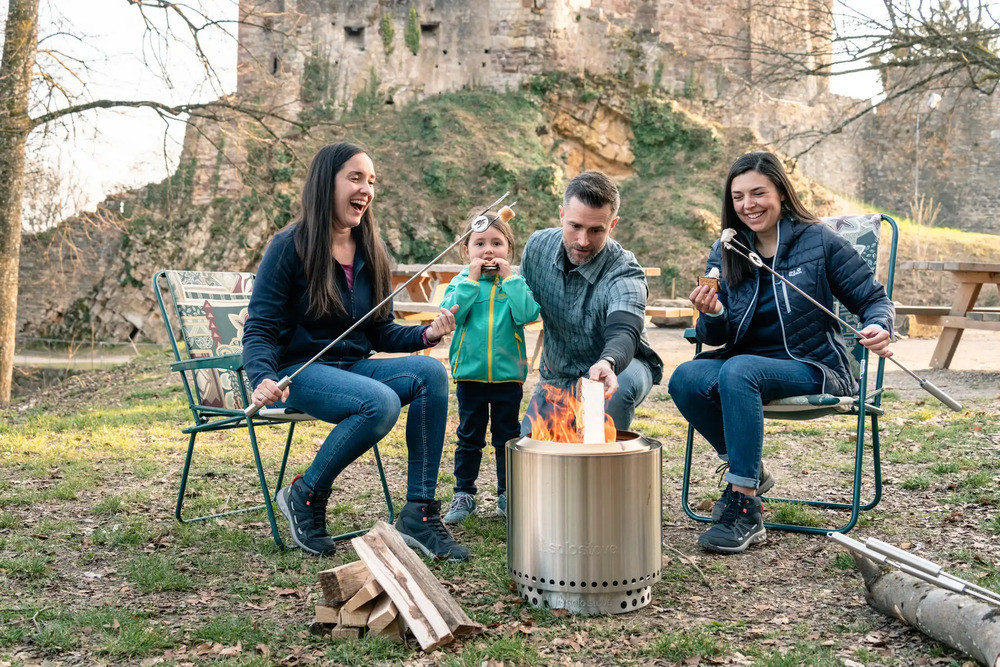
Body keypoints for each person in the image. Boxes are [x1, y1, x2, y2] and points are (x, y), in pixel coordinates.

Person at [241, 142, 469, 561]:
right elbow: (259, 327)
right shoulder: (288, 245)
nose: (366, 189)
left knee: (431, 375)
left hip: (354, 367)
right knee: (379, 403)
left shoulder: (371, 250)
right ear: (325, 182)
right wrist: (262, 378)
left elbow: (379, 332)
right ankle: (304, 494)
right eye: (355, 177)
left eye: (371, 181)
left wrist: (425, 335)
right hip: (299, 371)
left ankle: (419, 512)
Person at [667, 151, 894, 555]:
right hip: (745, 363)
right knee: (685, 378)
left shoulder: (818, 241)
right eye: (738, 197)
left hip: (813, 364)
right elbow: (712, 333)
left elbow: (873, 299)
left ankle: (744, 505)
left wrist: (879, 326)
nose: (747, 205)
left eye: (758, 193)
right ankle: (747, 468)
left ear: (781, 193)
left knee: (738, 371)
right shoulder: (726, 249)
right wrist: (714, 312)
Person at [519, 171, 663, 435]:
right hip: (558, 377)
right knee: (529, 449)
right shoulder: (537, 248)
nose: (583, 241)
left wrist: (608, 361)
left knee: (611, 396)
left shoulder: (625, 269)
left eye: (596, 230)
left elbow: (625, 328)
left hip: (619, 368)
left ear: (612, 225)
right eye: (575, 226)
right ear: (562, 215)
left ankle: (605, 468)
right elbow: (515, 306)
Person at [438, 212, 540, 524]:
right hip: (470, 375)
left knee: (506, 436)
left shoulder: (515, 284)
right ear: (466, 249)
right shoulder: (460, 283)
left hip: (508, 377)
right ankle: (464, 493)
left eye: (497, 243)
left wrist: (510, 279)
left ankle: (508, 492)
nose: (488, 250)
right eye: (479, 243)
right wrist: (471, 280)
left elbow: (527, 314)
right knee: (469, 436)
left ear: (509, 249)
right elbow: (455, 313)